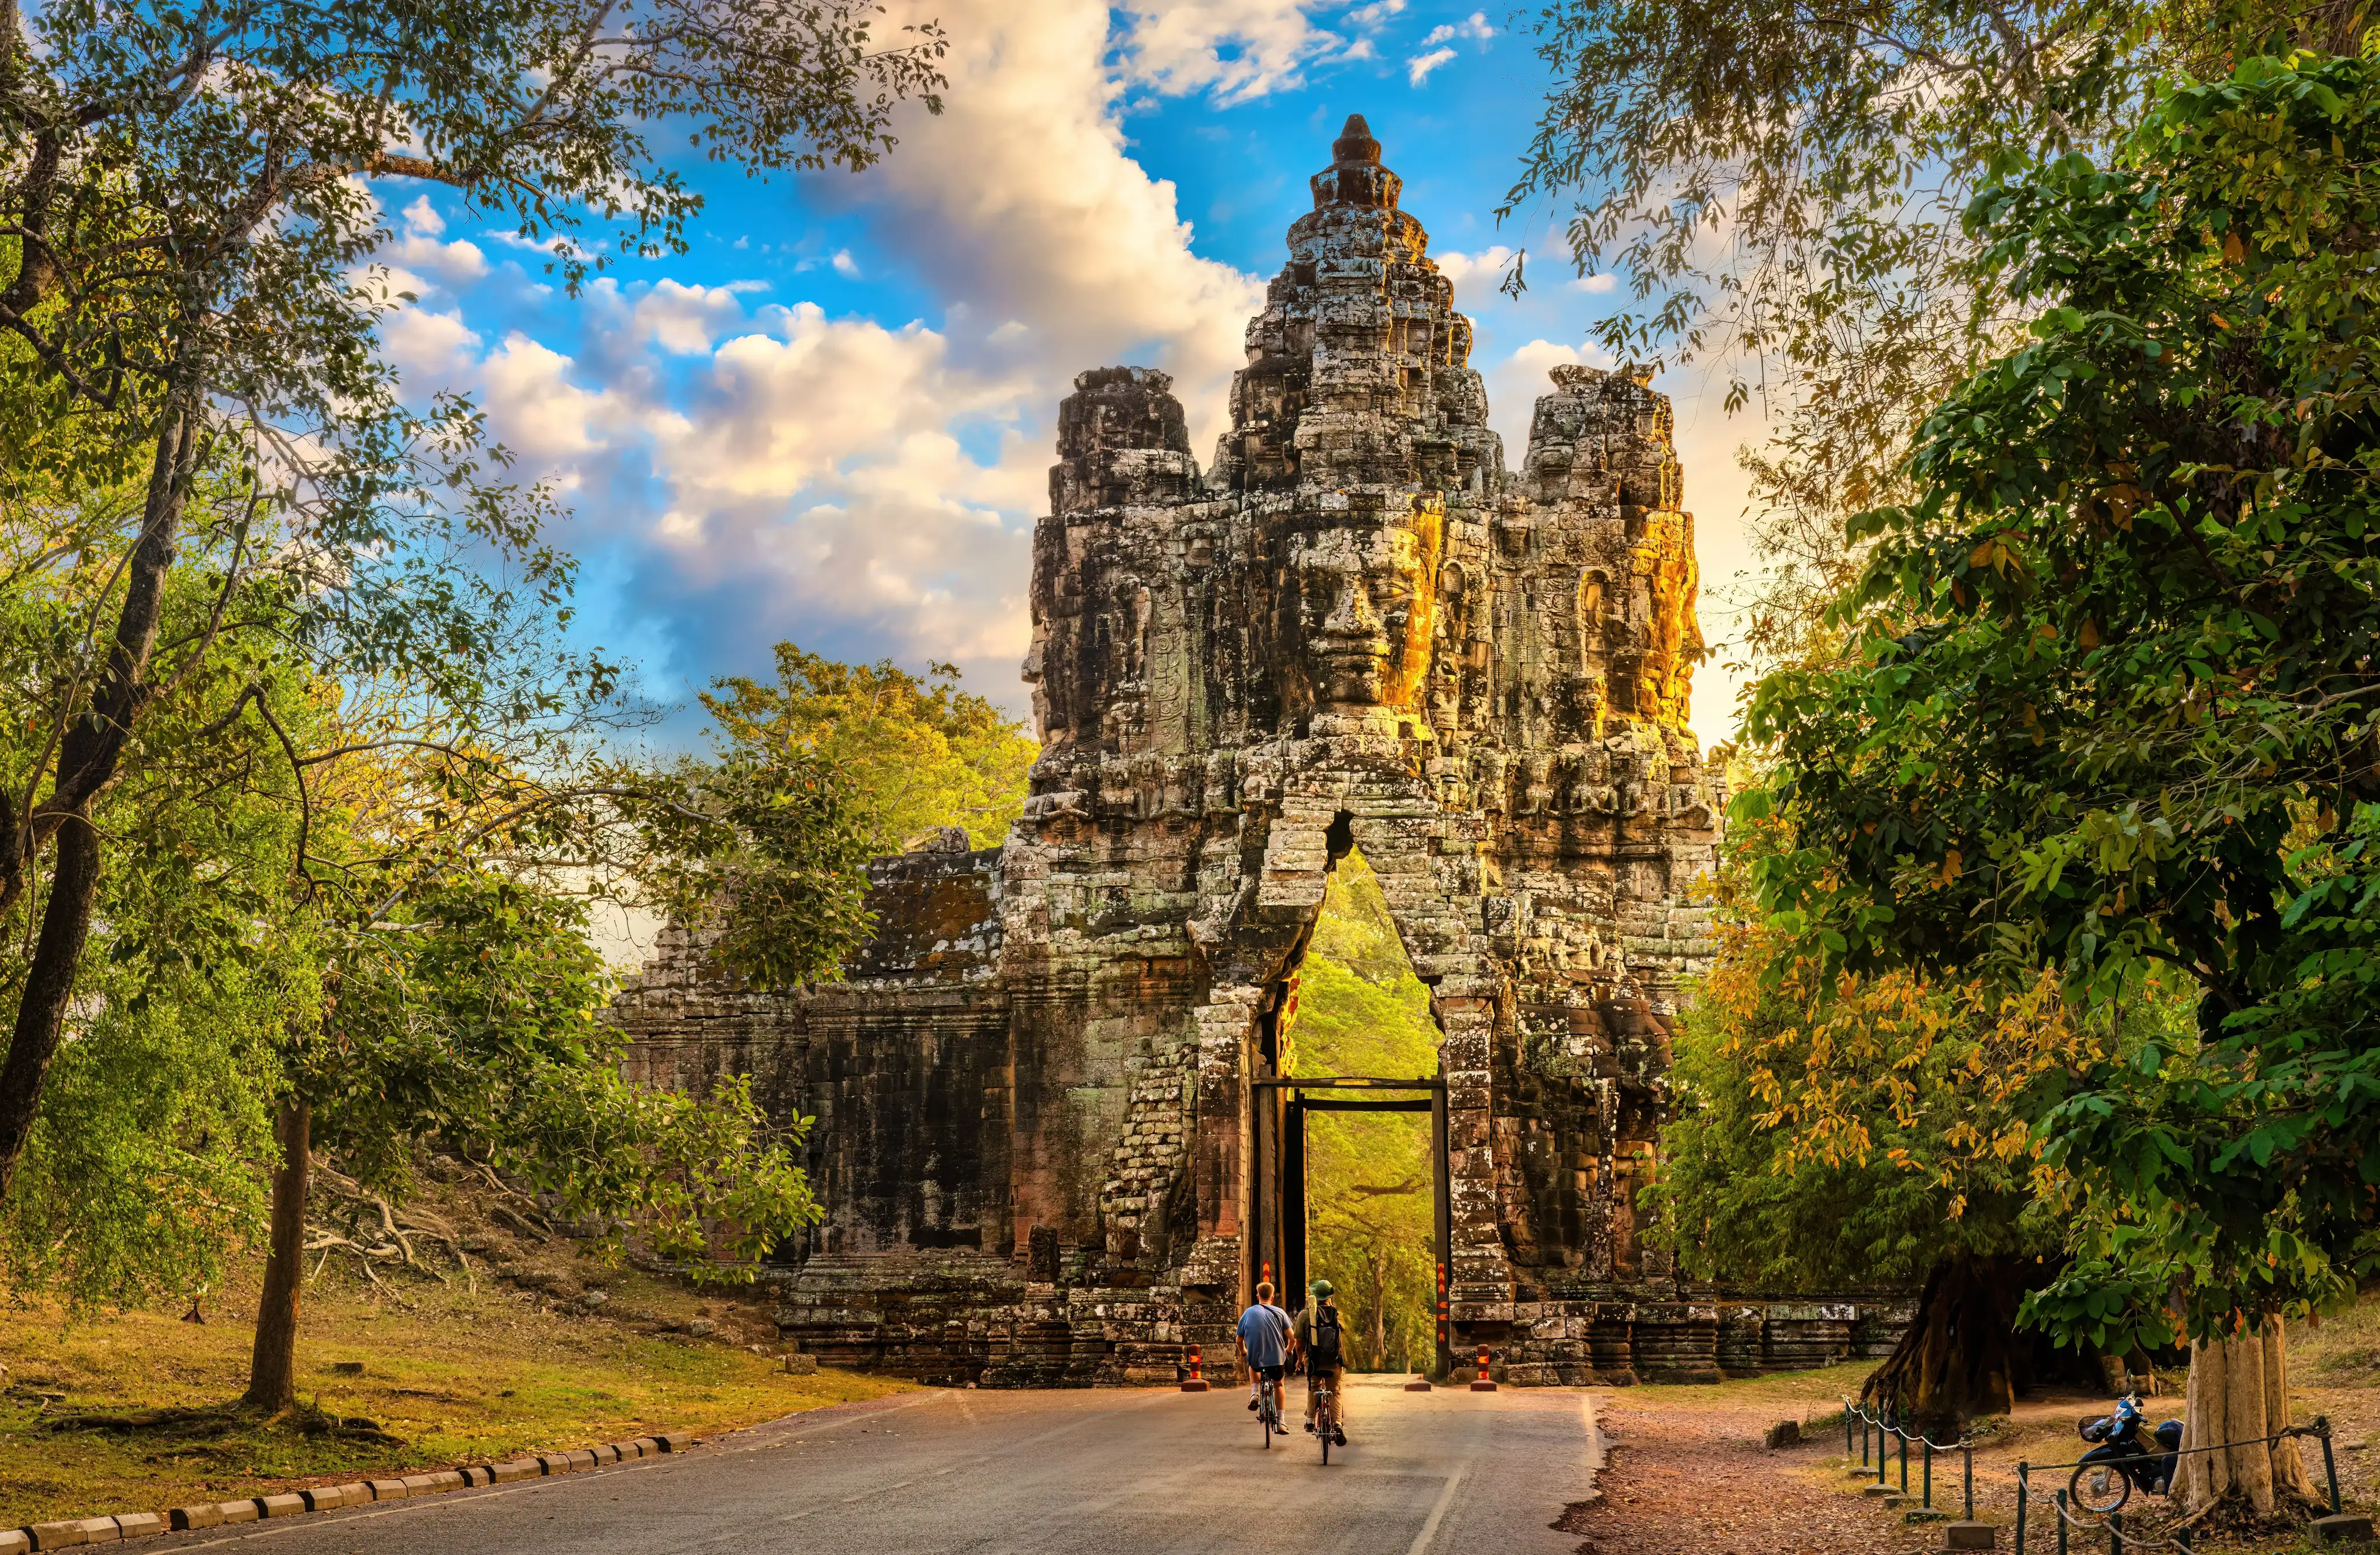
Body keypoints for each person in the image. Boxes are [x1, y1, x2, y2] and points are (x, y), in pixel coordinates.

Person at [1293, 1279, 1349, 1445]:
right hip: (1335, 1361)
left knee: (1314, 1387)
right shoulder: (1338, 1314)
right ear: (1330, 1296)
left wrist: (1300, 1359)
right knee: (1335, 1391)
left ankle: (1310, 1420)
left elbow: (1299, 1342)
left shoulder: (1305, 1315)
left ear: (1315, 1296)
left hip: (1314, 1362)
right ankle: (1337, 1424)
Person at [1234, 1280, 1292, 1421]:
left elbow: (1239, 1340)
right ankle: (1281, 1421)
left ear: (1258, 1296)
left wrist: (1244, 1352)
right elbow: (1293, 1338)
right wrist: (1288, 1350)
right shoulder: (1280, 1313)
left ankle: (1255, 1393)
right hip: (1277, 1360)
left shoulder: (1248, 1313)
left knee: (1252, 1364)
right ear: (1272, 1298)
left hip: (1256, 1359)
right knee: (1279, 1385)